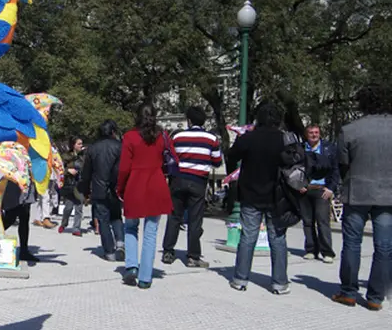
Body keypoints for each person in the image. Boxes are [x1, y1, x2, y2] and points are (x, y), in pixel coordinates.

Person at [332, 84, 392, 311]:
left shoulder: (350, 130)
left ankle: (348, 291)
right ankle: (376, 296)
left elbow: (343, 165)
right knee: (385, 247)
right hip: (388, 195)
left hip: (357, 192)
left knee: (352, 243)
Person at [227, 103, 290, 295]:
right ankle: (279, 282)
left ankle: (240, 279)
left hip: (250, 193)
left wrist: (234, 176)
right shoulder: (284, 139)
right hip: (277, 195)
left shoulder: (248, 138)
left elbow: (230, 156)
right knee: (277, 238)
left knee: (248, 237)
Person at [117, 103, 176, 288]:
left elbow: (124, 167)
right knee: (151, 232)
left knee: (130, 228)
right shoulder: (162, 136)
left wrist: (120, 188)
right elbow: (172, 157)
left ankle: (131, 266)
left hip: (135, 184)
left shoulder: (130, 136)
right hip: (156, 183)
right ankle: (145, 277)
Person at [162, 107, 222, 268]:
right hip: (198, 181)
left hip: (178, 180)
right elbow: (217, 161)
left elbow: (170, 157)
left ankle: (168, 251)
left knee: (174, 216)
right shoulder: (211, 138)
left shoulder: (178, 136)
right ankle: (193, 256)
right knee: (195, 220)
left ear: (189, 120)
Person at [79, 120, 124, 261]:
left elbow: (86, 172)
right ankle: (120, 242)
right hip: (115, 186)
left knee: (103, 220)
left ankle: (109, 251)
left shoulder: (92, 148)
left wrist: (85, 190)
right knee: (116, 216)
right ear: (113, 131)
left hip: (98, 187)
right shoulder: (119, 146)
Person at [299, 124, 339, 263]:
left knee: (323, 222)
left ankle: (327, 252)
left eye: (316, 132)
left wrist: (331, 188)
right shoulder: (301, 148)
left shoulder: (329, 148)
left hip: (322, 190)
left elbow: (335, 170)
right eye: (311, 133)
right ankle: (311, 250)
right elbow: (294, 169)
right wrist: (299, 184)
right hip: (305, 189)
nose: (314, 135)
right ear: (306, 134)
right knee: (307, 222)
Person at [3, 180, 39, 262]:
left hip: (26, 185)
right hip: (14, 184)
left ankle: (24, 251)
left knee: (24, 218)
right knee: (10, 217)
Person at [58, 137, 85, 236]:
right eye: (79, 144)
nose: (81, 145)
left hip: (79, 184)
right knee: (68, 207)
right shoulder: (66, 156)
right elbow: (59, 168)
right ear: (73, 145)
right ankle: (64, 224)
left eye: (81, 143)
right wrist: (68, 171)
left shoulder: (84, 156)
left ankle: (76, 228)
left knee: (79, 206)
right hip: (69, 184)